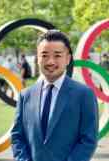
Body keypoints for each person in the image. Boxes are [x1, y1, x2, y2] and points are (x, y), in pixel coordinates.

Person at [11, 30, 99, 161]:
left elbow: (88, 140)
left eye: (57, 55)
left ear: (68, 59)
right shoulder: (25, 95)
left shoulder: (84, 94)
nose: (50, 61)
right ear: (37, 58)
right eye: (44, 55)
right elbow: (17, 136)